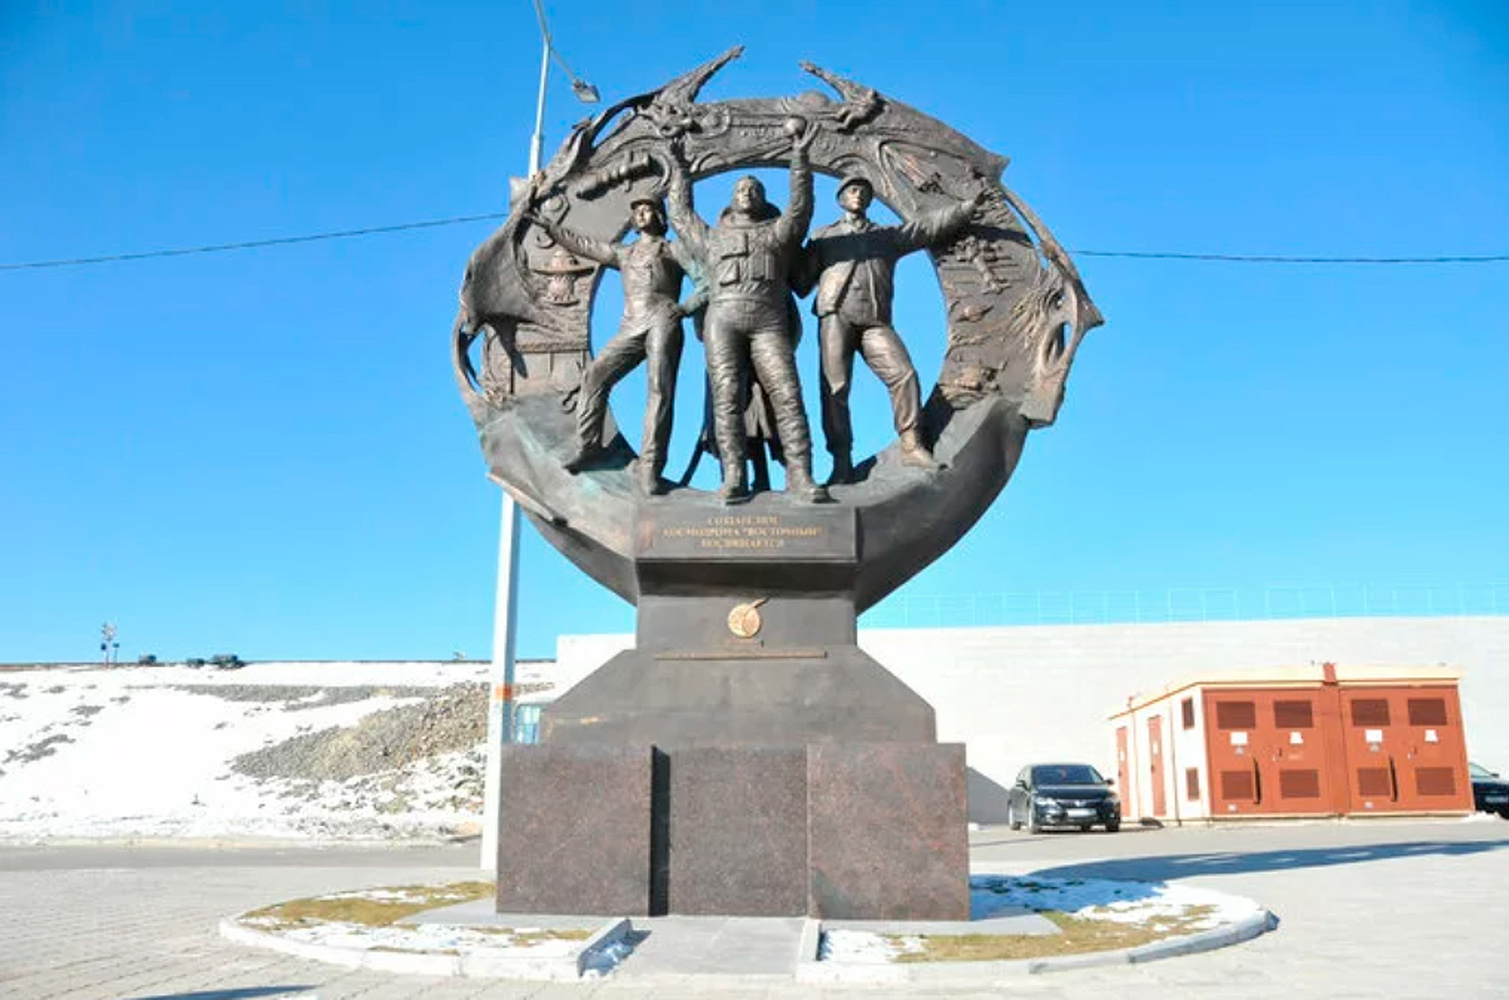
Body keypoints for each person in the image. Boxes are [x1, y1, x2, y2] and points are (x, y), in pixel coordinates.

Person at [666, 128, 829, 504]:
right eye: (741, 189)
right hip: (723, 320)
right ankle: (734, 475)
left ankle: (801, 475)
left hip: (768, 322)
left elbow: (800, 208)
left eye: (755, 188)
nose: (748, 192)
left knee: (788, 394)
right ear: (731, 201)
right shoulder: (711, 238)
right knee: (726, 397)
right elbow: (680, 214)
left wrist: (799, 157)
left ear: (764, 199)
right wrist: (679, 167)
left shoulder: (778, 235)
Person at [800, 177, 982, 483]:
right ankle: (841, 461)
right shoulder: (823, 237)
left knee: (904, 374)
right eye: (852, 191)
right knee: (835, 389)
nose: (858, 195)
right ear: (841, 198)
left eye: (864, 192)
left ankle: (911, 444)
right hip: (835, 316)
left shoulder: (886, 236)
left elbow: (925, 228)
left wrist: (965, 209)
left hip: (875, 319)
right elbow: (801, 282)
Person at [528, 197, 693, 495]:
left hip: (663, 320)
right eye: (636, 211)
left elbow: (706, 280)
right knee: (594, 376)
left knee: (659, 390)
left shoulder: (673, 249)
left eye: (647, 209)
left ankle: (651, 468)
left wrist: (685, 308)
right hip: (631, 325)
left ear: (659, 216)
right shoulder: (624, 252)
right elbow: (585, 245)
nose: (641, 214)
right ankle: (589, 445)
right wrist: (551, 228)